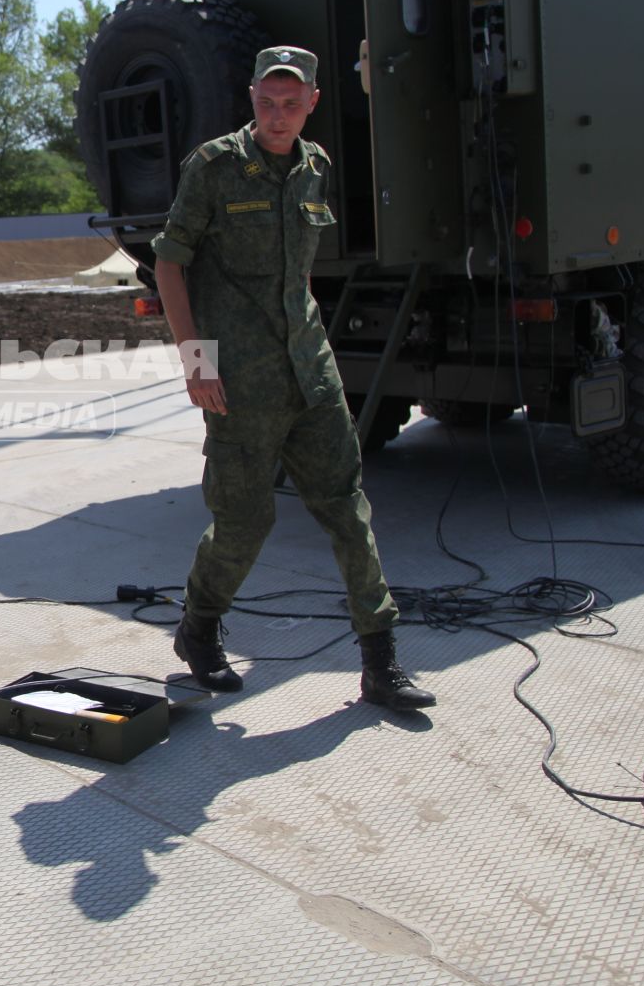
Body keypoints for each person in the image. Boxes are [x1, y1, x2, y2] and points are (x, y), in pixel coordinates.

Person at [151, 48, 436, 711]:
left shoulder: (316, 167)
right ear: (252, 98)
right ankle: (198, 628)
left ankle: (381, 660)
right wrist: (196, 362)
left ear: (312, 102)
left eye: (292, 103)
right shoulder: (214, 167)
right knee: (245, 521)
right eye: (267, 102)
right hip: (239, 381)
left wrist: (313, 344)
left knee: (347, 508)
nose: (278, 115)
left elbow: (296, 272)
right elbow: (169, 263)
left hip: (311, 370)